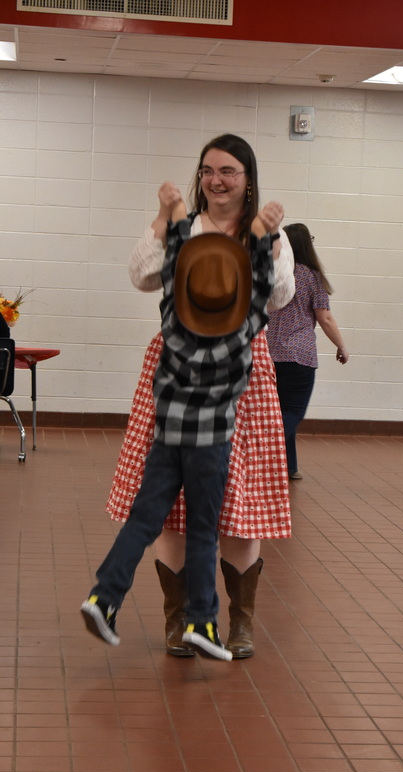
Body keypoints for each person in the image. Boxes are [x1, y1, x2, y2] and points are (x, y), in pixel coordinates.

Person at [106, 134, 295, 659]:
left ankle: (240, 624)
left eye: (229, 171)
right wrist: (161, 220)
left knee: (241, 500)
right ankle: (180, 621)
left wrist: (270, 248)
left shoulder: (269, 234)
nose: (217, 179)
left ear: (247, 179)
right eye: (209, 170)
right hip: (176, 371)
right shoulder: (183, 228)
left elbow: (281, 297)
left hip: (243, 378)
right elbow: (141, 275)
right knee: (171, 505)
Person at [266, 223, 349, 480]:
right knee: (293, 412)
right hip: (298, 355)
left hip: (268, 353)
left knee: (279, 410)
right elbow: (324, 318)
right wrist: (341, 345)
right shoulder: (311, 276)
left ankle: (289, 467)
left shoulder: (275, 274)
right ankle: (265, 454)